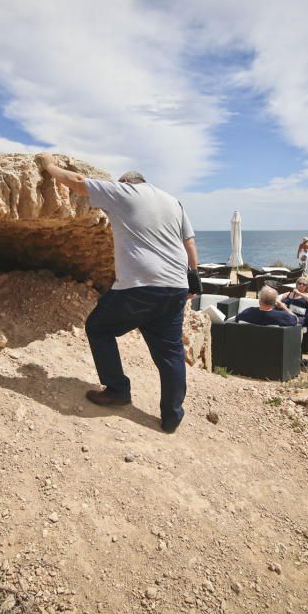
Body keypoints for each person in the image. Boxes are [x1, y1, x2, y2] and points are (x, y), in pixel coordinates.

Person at [34, 153, 200, 434]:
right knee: (170, 353)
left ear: (126, 182)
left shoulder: (124, 192)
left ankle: (117, 390)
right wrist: (194, 280)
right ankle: (172, 417)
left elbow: (77, 182)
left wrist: (49, 166)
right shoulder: (173, 202)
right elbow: (190, 242)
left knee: (98, 327)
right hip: (175, 287)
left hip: (141, 286)